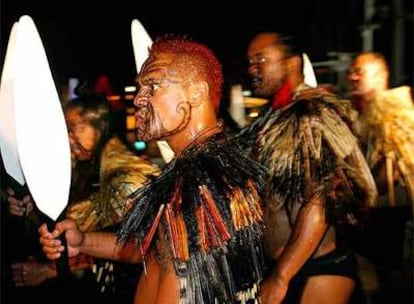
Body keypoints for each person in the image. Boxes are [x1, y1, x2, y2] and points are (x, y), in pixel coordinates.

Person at [39, 36, 267, 304]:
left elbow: (191, 290)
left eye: (153, 86)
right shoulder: (194, 170)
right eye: (140, 89)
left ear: (196, 92)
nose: (138, 100)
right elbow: (155, 250)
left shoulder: (202, 182)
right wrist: (83, 241)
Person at [236, 31, 378, 304]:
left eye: (260, 59)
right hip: (284, 270)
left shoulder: (312, 115)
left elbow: (319, 201)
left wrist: (281, 276)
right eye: (249, 62)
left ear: (291, 63)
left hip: (318, 270)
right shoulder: (270, 118)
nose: (251, 68)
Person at [5, 91, 159, 303]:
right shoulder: (83, 165)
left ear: (100, 126)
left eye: (77, 127)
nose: (69, 138)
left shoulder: (127, 175)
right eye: (66, 129)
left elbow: (139, 249)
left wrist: (49, 270)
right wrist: (31, 207)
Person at [347, 52, 414, 304]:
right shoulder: (361, 116)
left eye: (360, 72)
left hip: (393, 219)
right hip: (378, 218)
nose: (352, 77)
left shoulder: (392, 112)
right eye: (351, 71)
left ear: (381, 76)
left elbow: (394, 168)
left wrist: (360, 198)